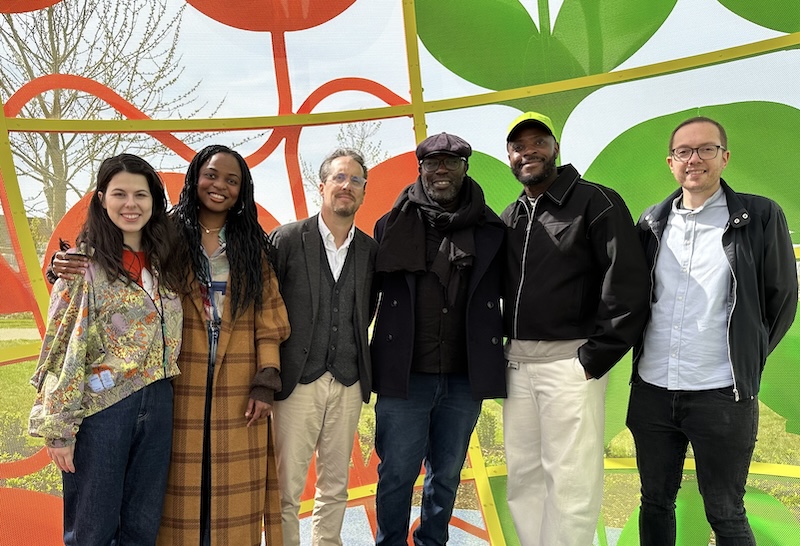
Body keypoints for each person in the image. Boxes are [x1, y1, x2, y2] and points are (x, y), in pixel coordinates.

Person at [50, 144, 291, 545]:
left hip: (236, 384)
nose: (220, 186)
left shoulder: (253, 247)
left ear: (243, 190)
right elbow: (106, 263)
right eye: (212, 175)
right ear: (195, 177)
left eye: (232, 180)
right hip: (178, 385)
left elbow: (270, 318)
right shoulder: (168, 236)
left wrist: (266, 377)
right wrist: (60, 266)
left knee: (214, 499)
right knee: (164, 502)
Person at [626, 116, 798, 545]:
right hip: (652, 390)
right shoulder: (651, 222)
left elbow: (782, 300)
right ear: (671, 162)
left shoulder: (759, 216)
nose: (694, 159)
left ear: (724, 157)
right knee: (655, 502)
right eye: (684, 151)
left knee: (725, 512)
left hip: (722, 393)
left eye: (705, 149)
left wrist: (747, 357)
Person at [502, 111, 650, 546]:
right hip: (517, 364)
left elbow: (626, 284)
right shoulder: (511, 214)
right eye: (518, 146)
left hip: (571, 362)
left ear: (555, 148)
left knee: (571, 482)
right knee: (523, 477)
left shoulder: (595, 201)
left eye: (537, 142)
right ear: (509, 156)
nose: (528, 151)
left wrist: (592, 360)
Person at [29, 153, 184, 546]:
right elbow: (61, 347)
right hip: (102, 411)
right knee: (92, 529)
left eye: (141, 195)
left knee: (142, 526)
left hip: (159, 400)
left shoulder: (166, 265)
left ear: (154, 202)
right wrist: (59, 429)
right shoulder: (81, 267)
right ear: (101, 198)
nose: (131, 204)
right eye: (119, 194)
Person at [370, 132, 507, 545]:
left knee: (446, 474)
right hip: (404, 374)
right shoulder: (390, 224)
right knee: (396, 473)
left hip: (465, 377)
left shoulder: (490, 229)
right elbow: (368, 296)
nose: (441, 170)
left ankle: (433, 541)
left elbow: (511, 292)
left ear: (465, 168)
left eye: (450, 162)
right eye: (432, 163)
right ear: (421, 170)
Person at [268, 149, 377, 546]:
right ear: (323, 186)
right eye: (340, 178)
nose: (347, 186)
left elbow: (364, 310)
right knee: (286, 488)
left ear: (364, 192)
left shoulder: (370, 251)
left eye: (355, 181)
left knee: (336, 487)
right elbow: (266, 308)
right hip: (297, 382)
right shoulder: (287, 239)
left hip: (348, 381)